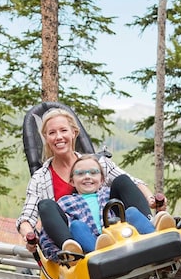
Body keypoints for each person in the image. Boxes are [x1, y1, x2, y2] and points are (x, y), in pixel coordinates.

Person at [16, 107, 161, 260]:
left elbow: (134, 183)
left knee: (122, 181)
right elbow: (26, 217)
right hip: (75, 235)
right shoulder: (40, 177)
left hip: (109, 226)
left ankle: (151, 227)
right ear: (46, 137)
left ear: (74, 133)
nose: (58, 137)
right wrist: (29, 235)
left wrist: (151, 199)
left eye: (63, 130)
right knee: (46, 205)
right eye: (52, 133)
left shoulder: (97, 163)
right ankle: (71, 247)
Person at [55, 155, 156, 254]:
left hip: (117, 235)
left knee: (131, 212)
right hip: (91, 243)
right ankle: (97, 252)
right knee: (76, 225)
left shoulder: (109, 193)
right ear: (72, 181)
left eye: (93, 173)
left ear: (102, 180)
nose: (87, 177)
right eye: (80, 173)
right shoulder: (65, 202)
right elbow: (59, 227)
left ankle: (154, 233)